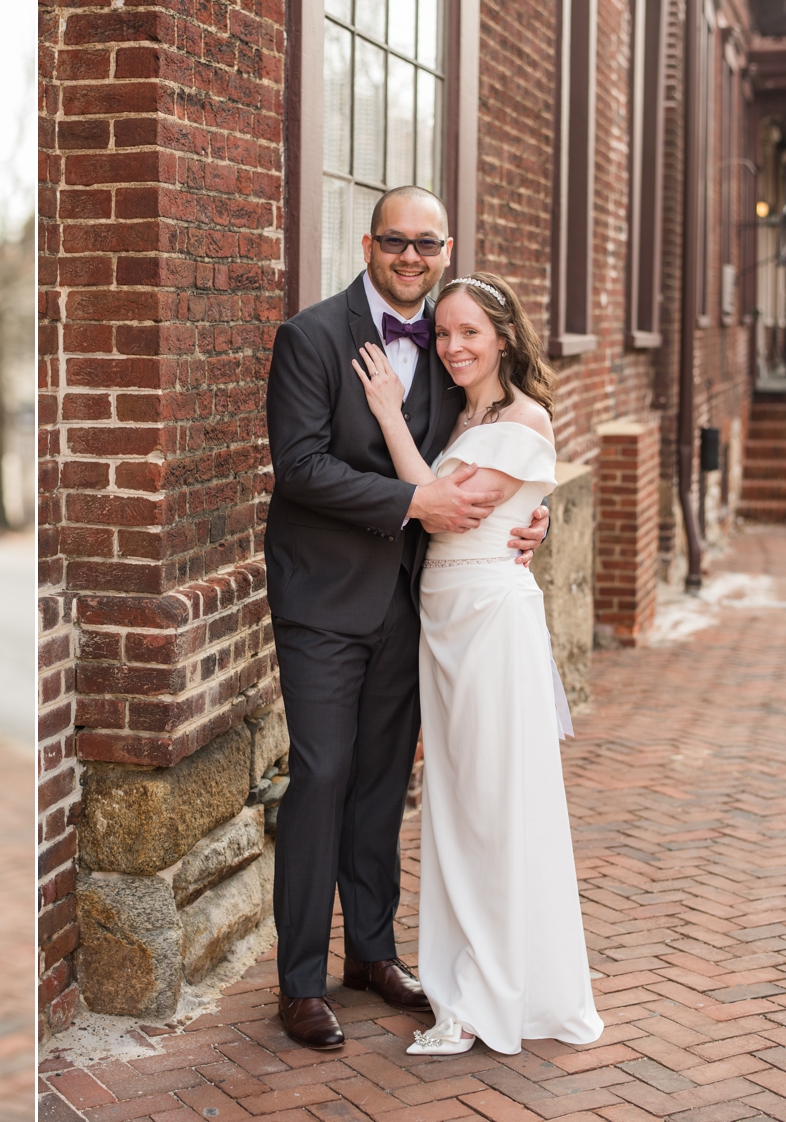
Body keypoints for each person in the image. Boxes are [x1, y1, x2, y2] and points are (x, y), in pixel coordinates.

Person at [263, 185, 550, 1050]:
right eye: (397, 241)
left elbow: (497, 450)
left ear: (447, 249)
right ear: (367, 244)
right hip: (321, 599)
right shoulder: (312, 337)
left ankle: (373, 954)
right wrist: (415, 501)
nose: (412, 257)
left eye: (428, 244)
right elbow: (301, 467)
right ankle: (302, 979)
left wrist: (531, 516)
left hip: (416, 605)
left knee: (386, 781)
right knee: (321, 774)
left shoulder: (453, 346)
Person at [352, 271, 602, 1056]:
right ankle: (467, 978)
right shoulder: (464, 414)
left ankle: (494, 997)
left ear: (503, 337)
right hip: (444, 625)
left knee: (494, 807)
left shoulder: (524, 418)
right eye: (445, 333)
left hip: (489, 624)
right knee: (458, 808)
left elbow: (446, 505)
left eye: (471, 333)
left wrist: (389, 413)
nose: (455, 347)